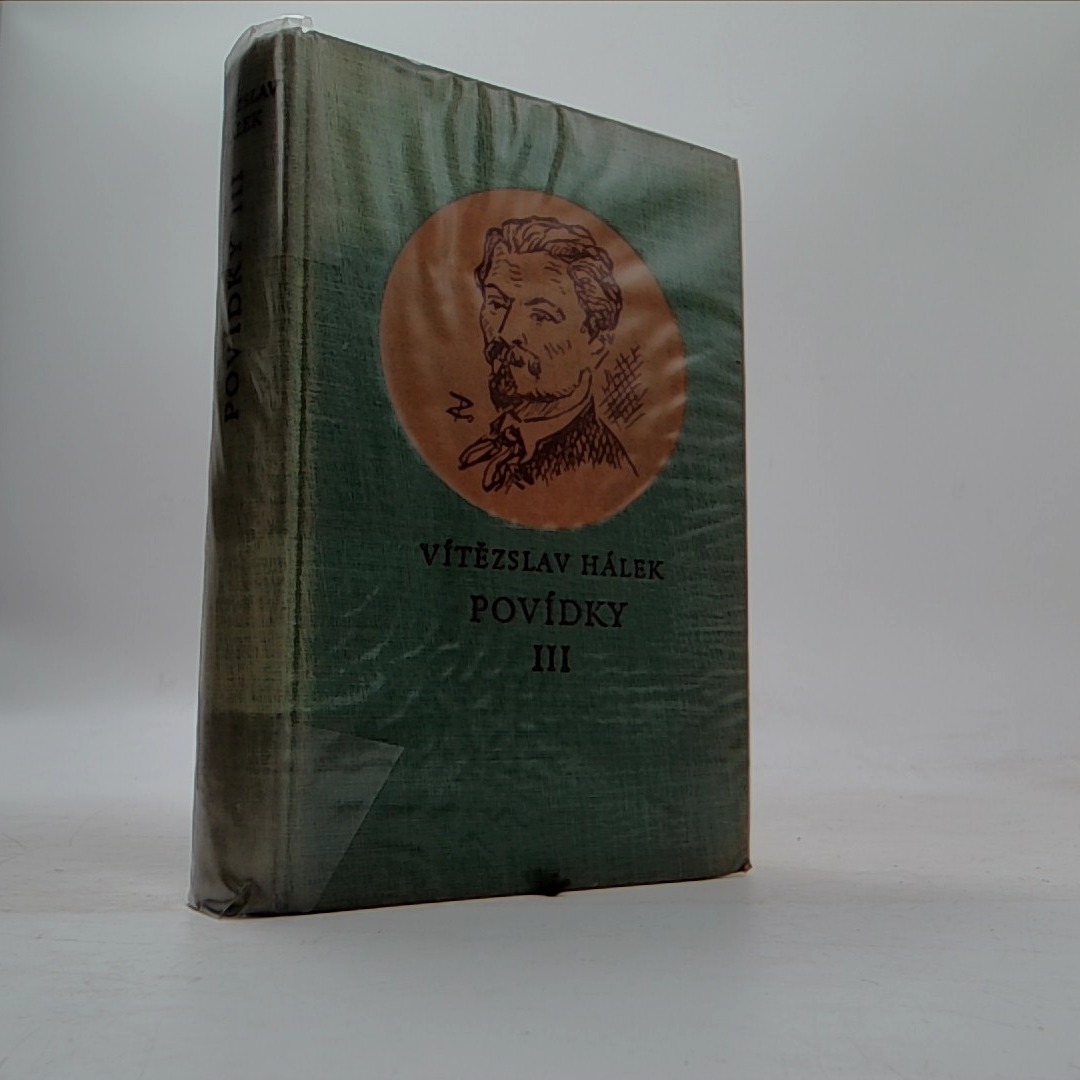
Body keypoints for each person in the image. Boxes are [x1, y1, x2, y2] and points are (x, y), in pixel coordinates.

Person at [458, 216, 635, 493]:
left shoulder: (603, 473)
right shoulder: (478, 434)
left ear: (596, 344)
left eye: (541, 315)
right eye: (497, 304)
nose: (505, 333)